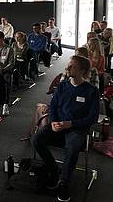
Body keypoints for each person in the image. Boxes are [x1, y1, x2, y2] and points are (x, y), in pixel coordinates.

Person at [32, 55, 99, 202]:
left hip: (76, 129)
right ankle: (53, 168)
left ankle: (64, 182)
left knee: (72, 147)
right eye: (69, 65)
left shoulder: (91, 91)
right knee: (37, 140)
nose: (67, 67)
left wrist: (71, 124)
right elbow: (54, 106)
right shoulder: (62, 86)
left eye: (72, 66)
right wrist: (54, 122)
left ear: (82, 71)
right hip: (57, 126)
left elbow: (92, 118)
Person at [0, 31, 15, 116]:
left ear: (1, 39)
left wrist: (3, 69)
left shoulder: (9, 49)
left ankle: (5, 104)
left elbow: (11, 63)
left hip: (6, 70)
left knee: (5, 82)